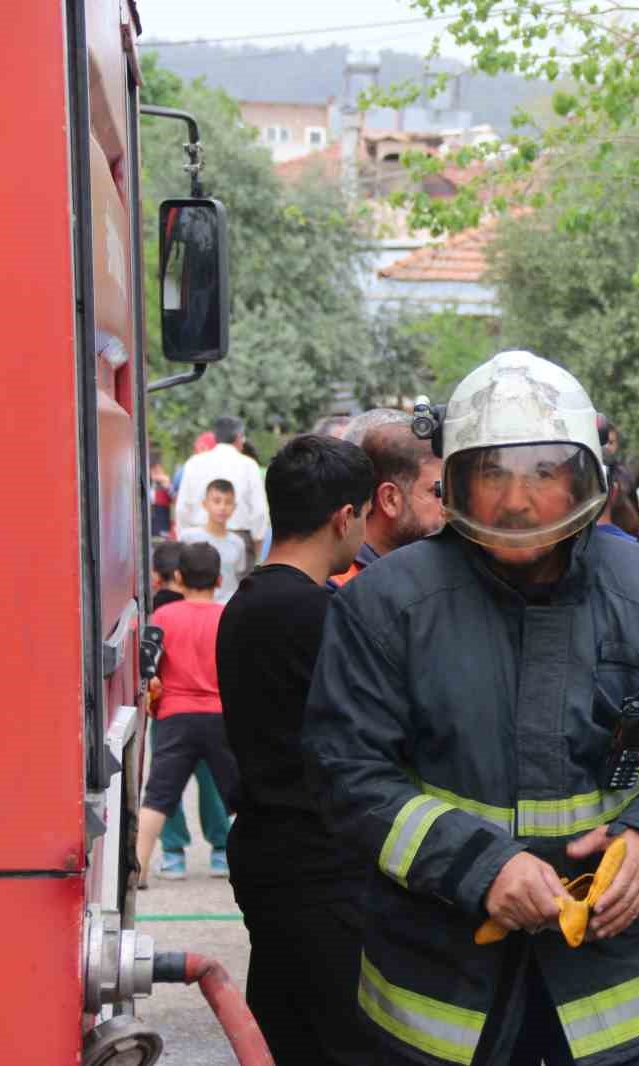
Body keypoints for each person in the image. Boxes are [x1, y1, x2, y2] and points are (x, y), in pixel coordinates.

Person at [303, 350, 639, 1066]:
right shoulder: (386, 609)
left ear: (585, 479)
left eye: (542, 473)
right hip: (439, 1005)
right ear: (453, 480)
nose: (516, 502)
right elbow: (345, 773)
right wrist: (479, 869)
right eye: (491, 476)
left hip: (618, 1006)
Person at [217, 433, 379, 1065]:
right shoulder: (315, 613)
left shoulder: (249, 601)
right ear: (345, 517)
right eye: (363, 515)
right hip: (319, 867)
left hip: (268, 851)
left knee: (285, 1033)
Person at [135, 542, 239, 889]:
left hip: (175, 717)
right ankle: (257, 866)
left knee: (158, 797)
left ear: (177, 577)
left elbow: (150, 668)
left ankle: (139, 870)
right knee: (239, 796)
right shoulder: (229, 615)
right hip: (220, 715)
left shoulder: (163, 617)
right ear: (220, 578)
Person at [331, 414, 445, 584]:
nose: (448, 508)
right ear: (390, 499)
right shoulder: (341, 584)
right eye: (438, 492)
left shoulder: (436, 567)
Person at [175, 415, 270, 545]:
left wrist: (185, 535)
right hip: (239, 538)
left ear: (215, 437)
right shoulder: (249, 465)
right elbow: (259, 510)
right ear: (238, 437)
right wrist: (257, 540)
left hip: (199, 540)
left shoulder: (194, 463)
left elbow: (182, 508)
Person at [179, 479, 248, 604]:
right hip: (196, 604)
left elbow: (238, 573)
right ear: (205, 504)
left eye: (228, 502)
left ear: (234, 507)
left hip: (228, 607)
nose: (222, 507)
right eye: (217, 501)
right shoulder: (188, 537)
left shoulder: (238, 543)